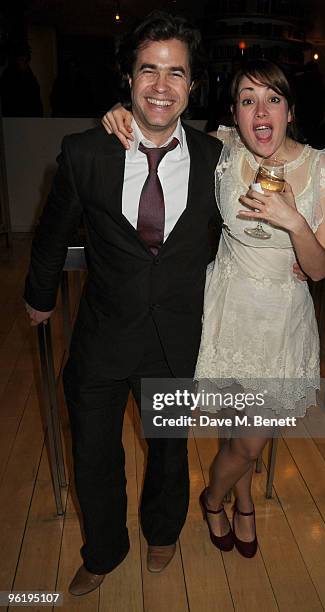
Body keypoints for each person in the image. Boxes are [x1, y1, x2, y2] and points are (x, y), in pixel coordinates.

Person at [103, 59, 325, 558]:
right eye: (247, 100)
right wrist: (120, 112)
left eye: (273, 100)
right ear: (234, 115)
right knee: (237, 427)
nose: (261, 112)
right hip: (224, 310)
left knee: (249, 442)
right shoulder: (222, 150)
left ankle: (211, 496)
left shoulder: (323, 169)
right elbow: (160, 120)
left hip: (280, 322)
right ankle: (242, 500)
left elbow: (320, 268)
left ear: (290, 110)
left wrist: (295, 224)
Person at [24, 11, 223, 595]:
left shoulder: (217, 159)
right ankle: (103, 550)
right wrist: (39, 297)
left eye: (176, 74)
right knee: (93, 453)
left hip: (175, 340)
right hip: (104, 335)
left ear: (192, 85)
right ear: (129, 78)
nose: (161, 86)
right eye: (149, 71)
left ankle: (163, 532)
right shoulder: (87, 151)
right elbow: (51, 230)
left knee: (167, 453)